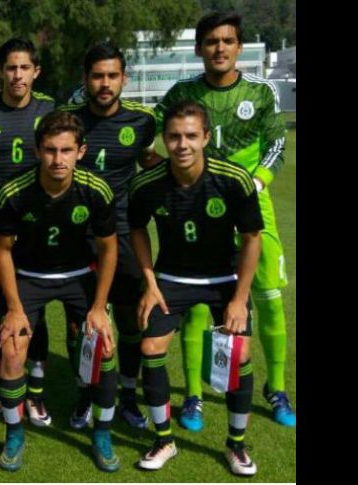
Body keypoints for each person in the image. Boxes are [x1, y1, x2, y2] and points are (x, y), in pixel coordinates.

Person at [155, 11, 294, 429]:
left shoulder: (261, 91)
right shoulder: (183, 91)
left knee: (268, 298)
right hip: (198, 210)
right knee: (198, 303)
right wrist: (151, 160)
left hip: (252, 206)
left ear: (239, 47)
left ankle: (277, 387)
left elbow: (276, 143)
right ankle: (193, 395)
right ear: (200, 48)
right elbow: (148, 129)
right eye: (212, 41)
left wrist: (255, 183)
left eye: (227, 41)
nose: (220, 48)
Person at [129, 100, 261, 476]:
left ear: (205, 137)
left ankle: (236, 445)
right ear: (164, 139)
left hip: (224, 279)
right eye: (174, 136)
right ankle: (163, 440)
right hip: (172, 278)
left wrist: (239, 299)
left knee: (239, 355)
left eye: (190, 136)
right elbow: (136, 229)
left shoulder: (232, 179)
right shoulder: (147, 183)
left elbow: (251, 238)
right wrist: (150, 283)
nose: (182, 145)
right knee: (150, 348)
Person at [0, 110, 119, 472]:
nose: (58, 159)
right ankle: (14, 432)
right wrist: (14, 308)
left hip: (79, 275)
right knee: (12, 348)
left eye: (66, 150)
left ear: (81, 151)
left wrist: (99, 307)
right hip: (29, 275)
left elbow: (109, 249)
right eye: (50, 150)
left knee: (103, 346)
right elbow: (2, 250)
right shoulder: (14, 192)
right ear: (37, 151)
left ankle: (102, 433)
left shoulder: (96, 190)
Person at [59, 42, 158, 430]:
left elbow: (150, 162)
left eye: (112, 76)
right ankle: (86, 392)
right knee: (79, 324)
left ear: (124, 79)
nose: (105, 83)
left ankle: (128, 395)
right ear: (85, 79)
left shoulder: (142, 121)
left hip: (124, 233)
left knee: (131, 321)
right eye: (97, 76)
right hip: (77, 235)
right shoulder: (67, 119)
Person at [0, 38, 56, 427]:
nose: (17, 75)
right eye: (10, 68)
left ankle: (35, 392)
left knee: (35, 312)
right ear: (0, 72)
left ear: (36, 71)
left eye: (24, 68)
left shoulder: (49, 109)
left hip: (37, 229)